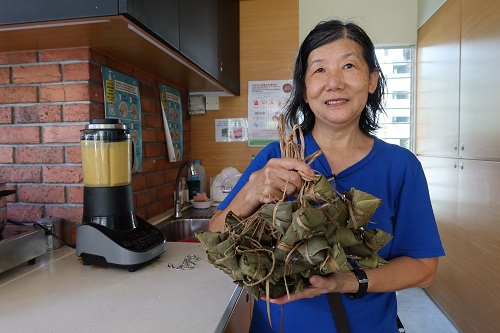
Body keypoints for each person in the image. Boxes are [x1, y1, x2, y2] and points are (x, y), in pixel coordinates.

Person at [209, 19, 445, 333]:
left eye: (348, 66)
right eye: (319, 70)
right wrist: (251, 192)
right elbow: (216, 234)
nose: (334, 82)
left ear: (372, 80)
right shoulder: (276, 157)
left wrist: (348, 281)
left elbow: (423, 268)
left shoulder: (400, 166)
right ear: (305, 90)